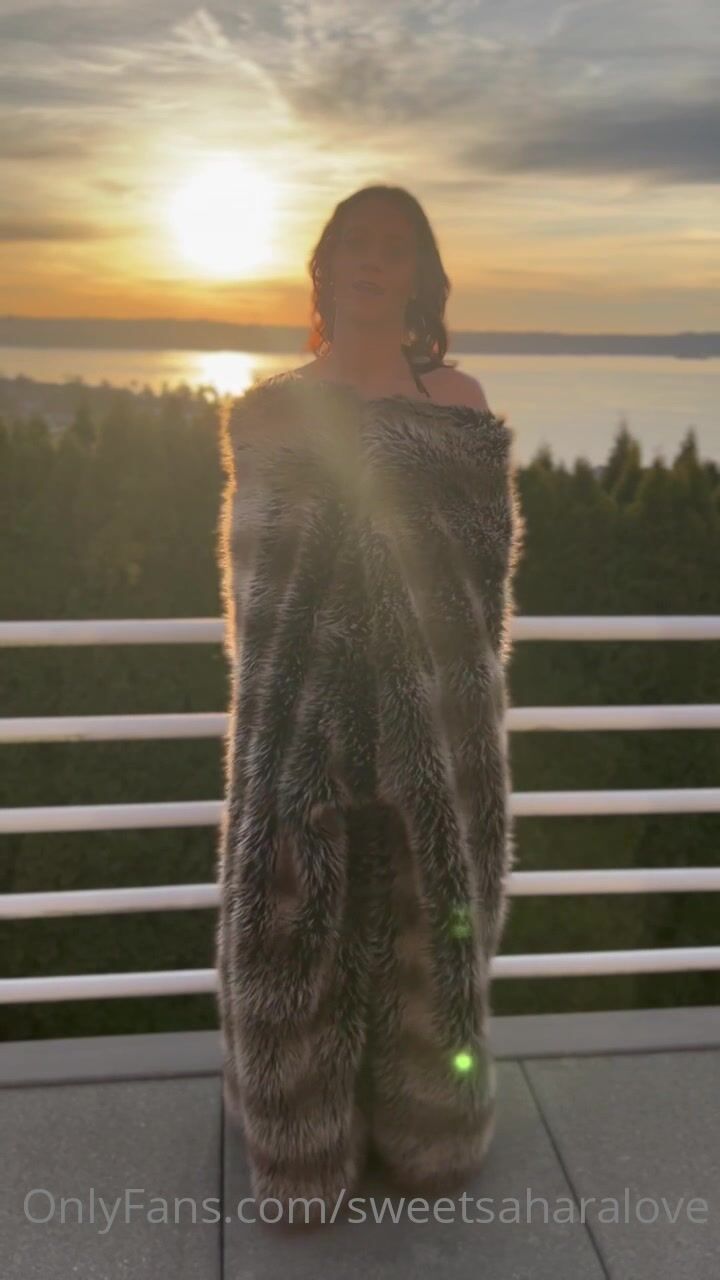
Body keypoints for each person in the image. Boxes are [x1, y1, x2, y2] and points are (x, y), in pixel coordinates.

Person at [215, 184, 523, 1226]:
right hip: (297, 716)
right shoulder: (272, 414)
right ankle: (301, 1151)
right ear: (326, 265)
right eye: (355, 244)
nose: (372, 262)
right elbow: (257, 589)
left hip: (437, 718)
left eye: (394, 248)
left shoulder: (459, 404)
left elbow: (480, 584)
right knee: (293, 927)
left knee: (429, 926)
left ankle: (429, 1136)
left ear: (419, 275)